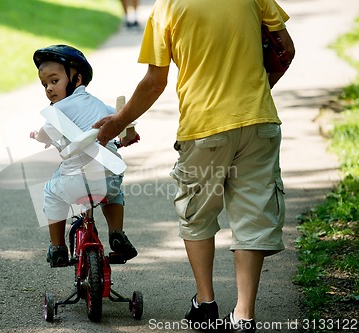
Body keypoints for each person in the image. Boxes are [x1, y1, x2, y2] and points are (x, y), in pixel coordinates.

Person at [93, 0, 295, 332]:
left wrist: (118, 121)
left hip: (204, 128)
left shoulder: (167, 8)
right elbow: (285, 50)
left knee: (197, 214)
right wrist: (259, 89)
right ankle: (244, 315)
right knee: (253, 216)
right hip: (259, 122)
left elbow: (155, 82)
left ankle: (205, 304)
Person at [30, 44, 138, 267]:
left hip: (75, 181)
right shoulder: (101, 105)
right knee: (115, 194)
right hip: (108, 180)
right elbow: (126, 126)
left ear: (77, 80)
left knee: (50, 193)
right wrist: (128, 138)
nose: (49, 88)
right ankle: (117, 233)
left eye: (54, 81)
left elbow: (45, 134)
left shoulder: (57, 111)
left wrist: (39, 136)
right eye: (45, 84)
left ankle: (57, 247)